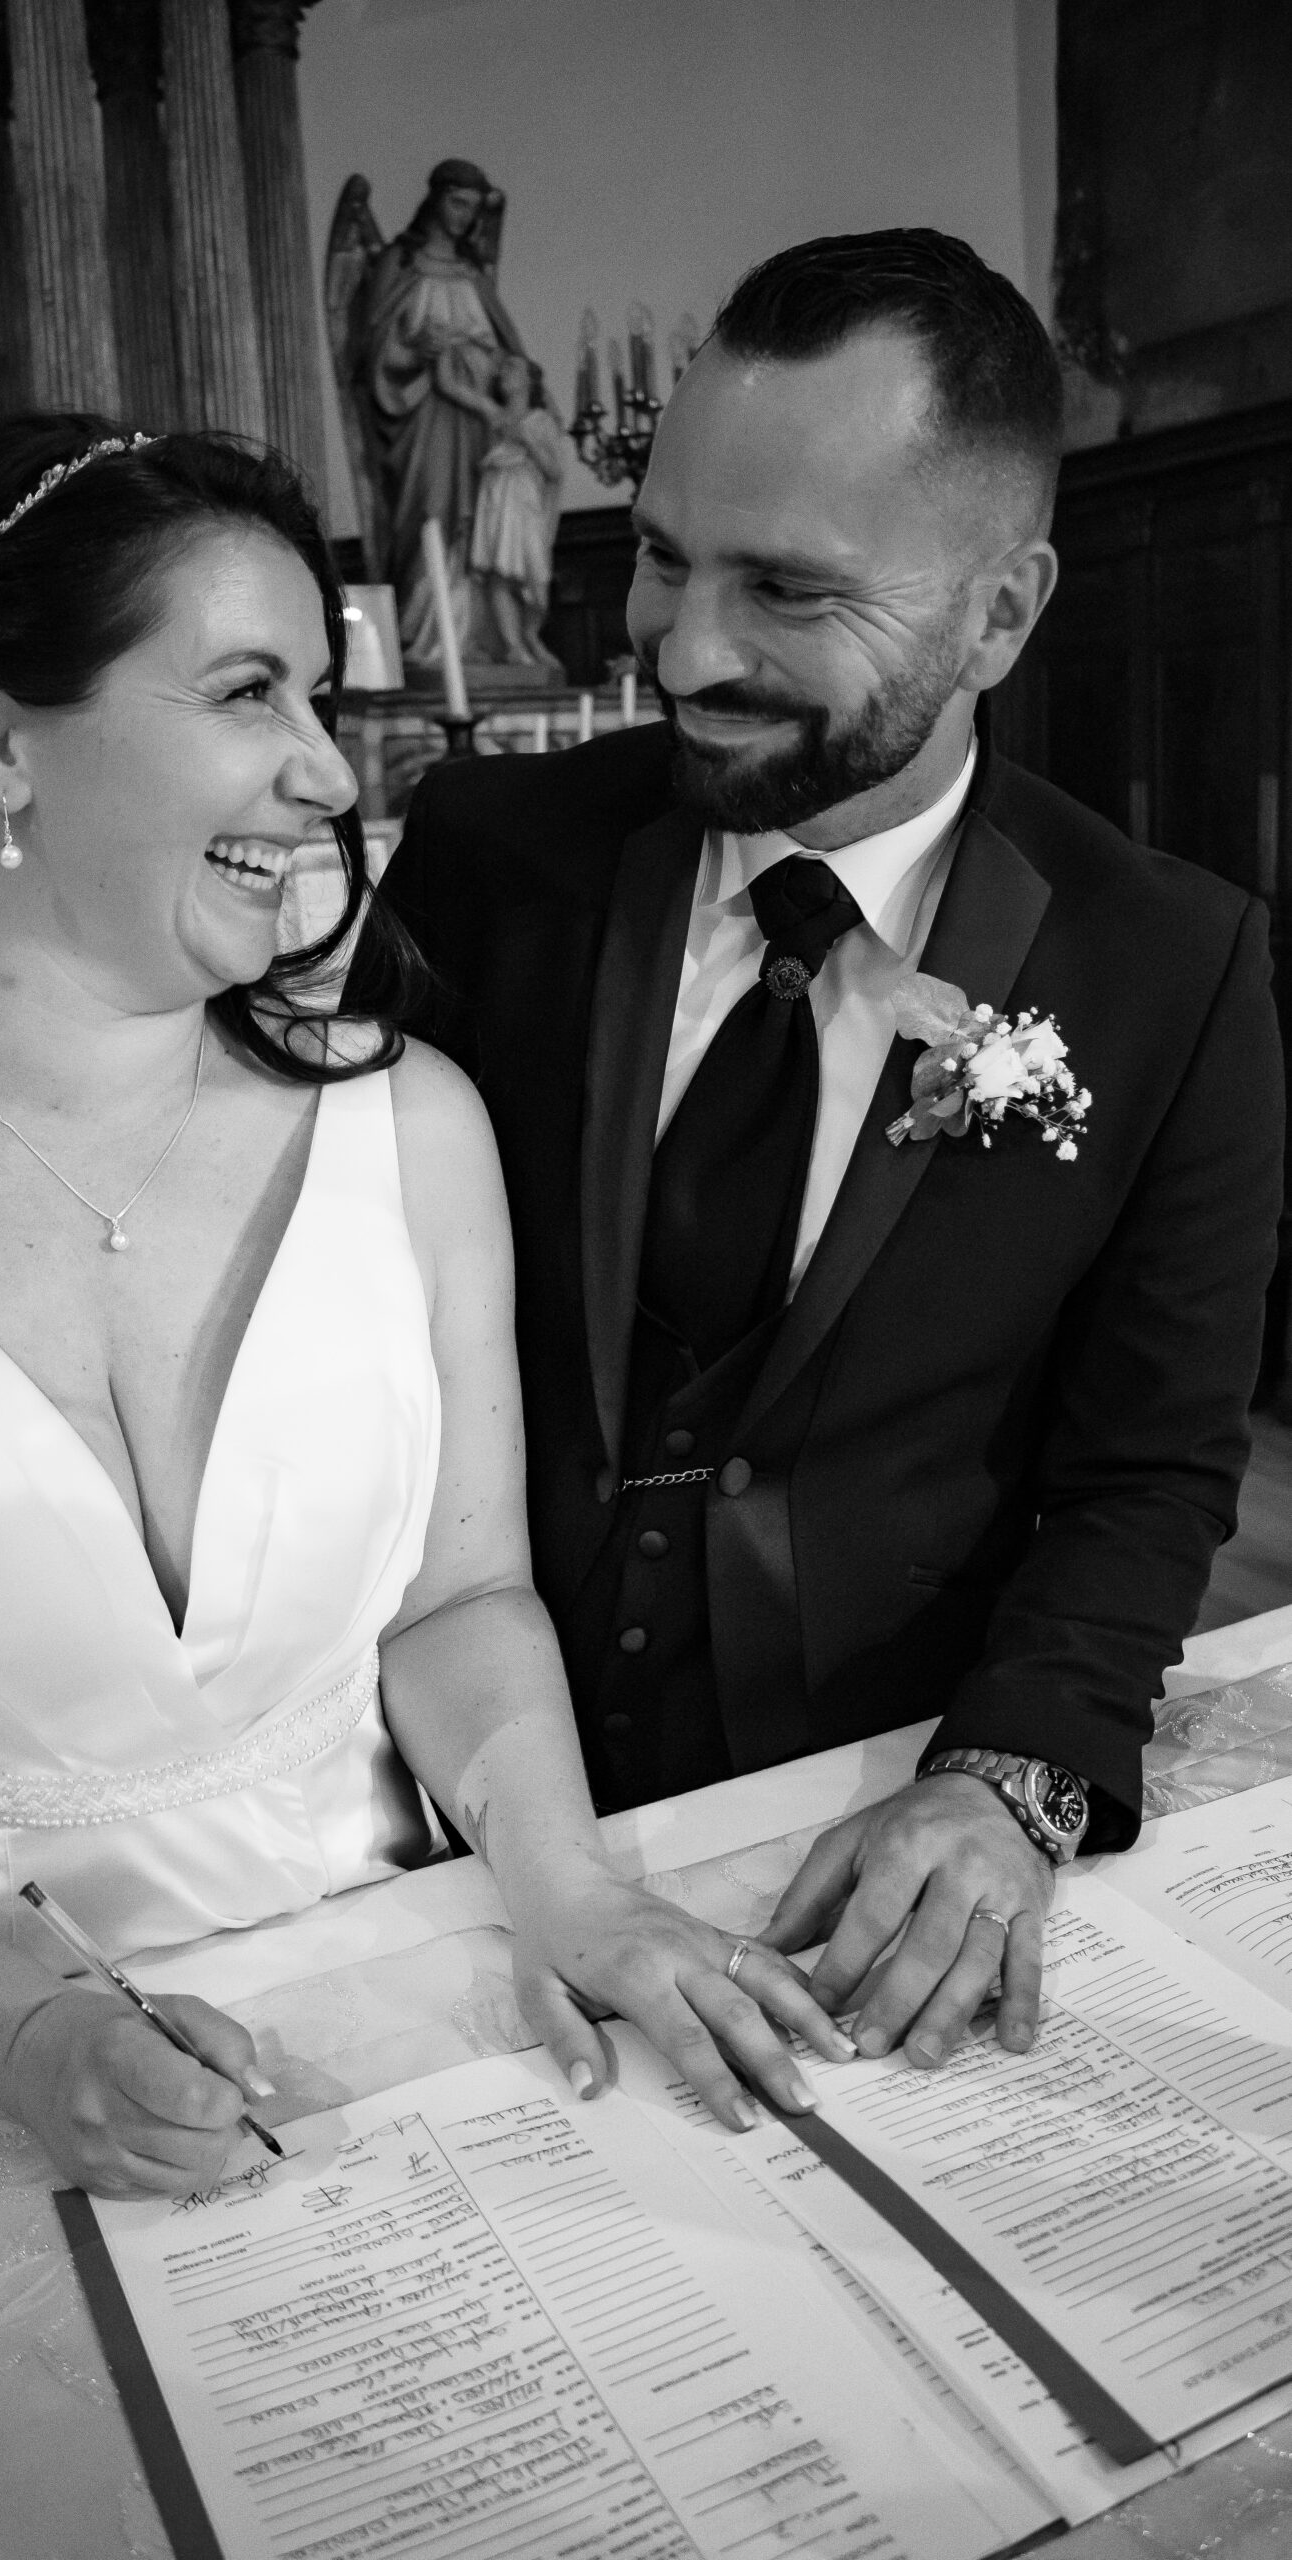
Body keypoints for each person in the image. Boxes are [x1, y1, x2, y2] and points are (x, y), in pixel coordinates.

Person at [0, 416, 851, 2198]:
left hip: (371, 1980)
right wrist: (25, 2034)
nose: (327, 775)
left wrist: (569, 1888)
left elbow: (461, 1597)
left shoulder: (409, 1123)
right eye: (249, 693)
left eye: (317, 699)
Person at [363, 230, 1284, 2078]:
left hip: (856, 1807)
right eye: (663, 557)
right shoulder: (489, 856)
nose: (682, 648)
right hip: (441, 1813)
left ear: (998, 616)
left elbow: (1149, 1464)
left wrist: (1004, 1779)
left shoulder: (1165, 965)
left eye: (786, 588)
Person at [361, 159, 525, 668]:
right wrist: (416, 352)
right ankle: (426, 639)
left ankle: (481, 639)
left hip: (480, 420)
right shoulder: (399, 263)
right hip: (425, 416)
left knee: (485, 522)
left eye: (473, 208)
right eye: (457, 203)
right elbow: (371, 356)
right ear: (435, 199)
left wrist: (497, 371)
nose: (464, 217)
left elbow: (509, 351)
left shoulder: (473, 271)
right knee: (431, 513)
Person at [469, 354, 567, 674]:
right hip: (497, 498)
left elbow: (554, 470)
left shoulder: (541, 421)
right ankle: (513, 647)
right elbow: (454, 389)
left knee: (536, 578)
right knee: (499, 571)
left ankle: (530, 634)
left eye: (512, 368)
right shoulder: (494, 416)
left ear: (529, 380)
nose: (503, 373)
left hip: (526, 502)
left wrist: (527, 440)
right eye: (503, 368)